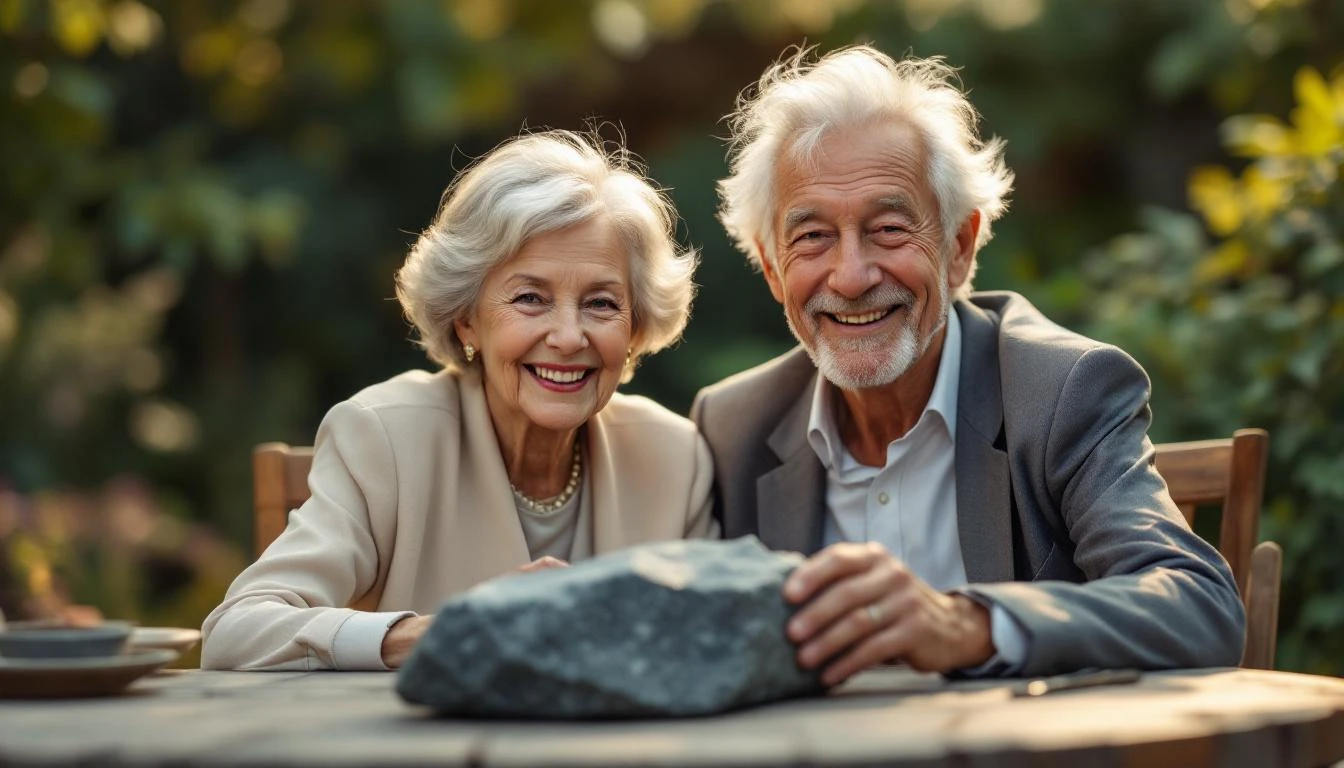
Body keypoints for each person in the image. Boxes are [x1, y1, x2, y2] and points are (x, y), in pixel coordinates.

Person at [692, 45, 1245, 683]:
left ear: (958, 248)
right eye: (812, 236)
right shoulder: (732, 428)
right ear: (771, 268)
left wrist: (967, 626)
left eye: (890, 228)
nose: (849, 276)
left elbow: (1201, 607)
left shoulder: (1062, 391)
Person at [203, 130, 718, 671]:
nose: (569, 336)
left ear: (635, 328)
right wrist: (444, 633)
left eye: (601, 303)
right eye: (530, 299)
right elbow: (236, 633)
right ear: (467, 318)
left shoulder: (675, 457)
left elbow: (718, 642)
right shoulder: (384, 439)